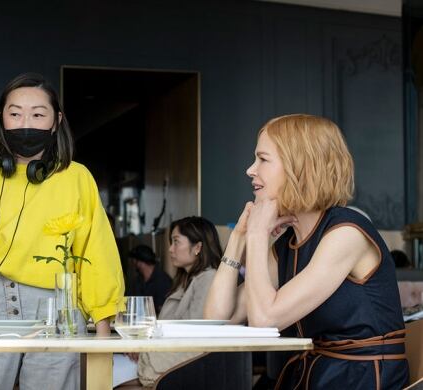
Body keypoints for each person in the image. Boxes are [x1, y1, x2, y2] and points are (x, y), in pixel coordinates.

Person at [0, 72, 124, 389]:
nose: (25, 123)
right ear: (1, 119)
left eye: (38, 114)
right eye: (15, 113)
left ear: (56, 120)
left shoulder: (77, 178)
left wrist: (103, 337)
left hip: (60, 311)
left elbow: (97, 254)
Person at [204, 114, 408, 389]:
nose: (250, 170)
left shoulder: (346, 233)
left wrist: (256, 235)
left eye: (263, 159)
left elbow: (264, 320)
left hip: (360, 379)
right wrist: (238, 238)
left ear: (300, 167)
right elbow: (215, 324)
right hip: (316, 376)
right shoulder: (288, 244)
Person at [114, 217, 222, 387]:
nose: (170, 249)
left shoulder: (208, 279)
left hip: (174, 363)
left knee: (105, 373)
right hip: (159, 356)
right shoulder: (185, 280)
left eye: (176, 242)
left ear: (198, 247)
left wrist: (143, 349)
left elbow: (192, 334)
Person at [127, 244, 172, 314]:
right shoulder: (136, 281)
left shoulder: (163, 280)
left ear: (140, 262)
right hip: (138, 322)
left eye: (134, 260)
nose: (133, 263)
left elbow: (164, 310)